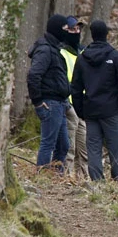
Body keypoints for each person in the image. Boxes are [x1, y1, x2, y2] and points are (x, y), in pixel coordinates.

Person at [71, 20, 118, 181]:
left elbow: (75, 88)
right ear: (107, 34)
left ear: (92, 35)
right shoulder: (117, 57)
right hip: (112, 111)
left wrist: (81, 111)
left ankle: (97, 184)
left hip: (91, 111)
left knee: (93, 150)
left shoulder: (82, 59)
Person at [27, 14, 74, 172]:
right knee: (48, 143)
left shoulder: (55, 49)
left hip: (60, 104)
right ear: (57, 30)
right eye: (65, 29)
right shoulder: (45, 50)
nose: (68, 32)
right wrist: (38, 102)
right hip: (50, 104)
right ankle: (42, 177)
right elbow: (33, 75)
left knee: (63, 145)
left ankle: (55, 176)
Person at [59, 16, 89, 178]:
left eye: (78, 29)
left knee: (83, 146)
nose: (76, 32)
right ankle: (66, 177)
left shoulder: (83, 52)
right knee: (69, 146)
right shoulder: (61, 52)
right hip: (68, 104)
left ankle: (83, 178)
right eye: (73, 29)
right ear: (65, 31)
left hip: (83, 105)